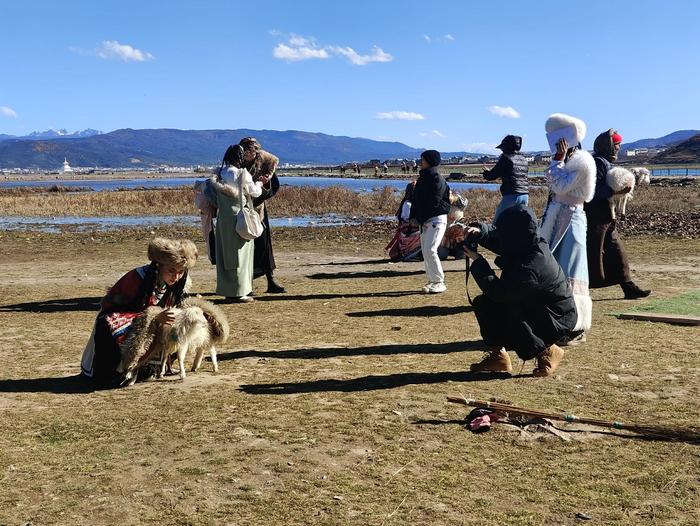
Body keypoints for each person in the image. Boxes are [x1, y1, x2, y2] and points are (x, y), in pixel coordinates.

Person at [464, 205, 576, 376]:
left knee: (511, 309)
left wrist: (478, 261)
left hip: (557, 317)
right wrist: (479, 231)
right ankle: (498, 356)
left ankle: (547, 351)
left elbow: (501, 293)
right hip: (542, 307)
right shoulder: (527, 242)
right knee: (484, 303)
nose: (500, 235)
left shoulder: (532, 265)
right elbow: (500, 239)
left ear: (514, 234)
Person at [80, 237, 198, 386]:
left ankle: (150, 366)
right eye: (171, 271)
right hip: (114, 325)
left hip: (148, 324)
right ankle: (117, 370)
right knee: (110, 324)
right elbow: (112, 310)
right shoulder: (137, 278)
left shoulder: (178, 285)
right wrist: (154, 316)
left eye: (181, 272)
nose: (176, 277)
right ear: (159, 265)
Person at [539, 114, 596, 343]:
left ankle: (576, 325)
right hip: (561, 216)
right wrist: (558, 161)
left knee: (572, 269)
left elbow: (559, 184)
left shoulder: (582, 162)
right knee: (558, 269)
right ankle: (560, 322)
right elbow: (554, 183)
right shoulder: (570, 160)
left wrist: (557, 161)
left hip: (571, 218)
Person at [585, 129, 651, 299]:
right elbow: (595, 189)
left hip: (605, 215)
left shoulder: (603, 162)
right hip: (596, 216)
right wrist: (618, 190)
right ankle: (583, 287)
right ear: (608, 146)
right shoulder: (599, 163)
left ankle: (628, 286)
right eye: (616, 145)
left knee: (616, 250)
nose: (618, 148)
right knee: (594, 252)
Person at [211, 144, 264, 303]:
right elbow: (254, 192)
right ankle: (240, 291)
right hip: (239, 218)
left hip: (223, 219)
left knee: (225, 255)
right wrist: (260, 184)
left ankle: (228, 290)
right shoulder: (242, 174)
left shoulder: (219, 174)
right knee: (241, 254)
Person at [238, 137, 286, 294]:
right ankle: (246, 283)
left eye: (249, 153)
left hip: (258, 210)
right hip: (243, 211)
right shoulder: (239, 162)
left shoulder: (264, 162)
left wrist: (264, 183)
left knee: (264, 245)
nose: (246, 156)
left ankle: (270, 280)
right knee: (247, 247)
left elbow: (273, 185)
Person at [409, 150, 451, 293]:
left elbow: (435, 202)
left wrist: (419, 219)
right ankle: (432, 280)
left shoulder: (437, 179)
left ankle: (439, 281)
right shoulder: (422, 179)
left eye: (423, 160)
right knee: (426, 252)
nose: (420, 162)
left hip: (436, 219)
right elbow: (416, 201)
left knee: (430, 249)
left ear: (430, 161)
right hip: (424, 220)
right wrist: (412, 218)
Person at [482, 134, 529, 219]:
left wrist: (486, 173)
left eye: (502, 148)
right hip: (525, 195)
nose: (502, 151)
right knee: (518, 223)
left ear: (507, 147)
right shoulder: (524, 159)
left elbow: (493, 175)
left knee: (498, 222)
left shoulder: (505, 158)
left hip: (511, 195)